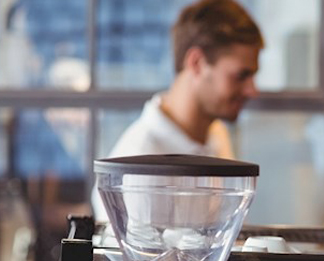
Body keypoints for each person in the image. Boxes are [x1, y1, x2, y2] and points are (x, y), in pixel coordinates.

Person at [91, 0, 263, 223]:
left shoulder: (215, 133)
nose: (252, 90)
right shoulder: (139, 168)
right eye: (241, 75)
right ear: (197, 63)